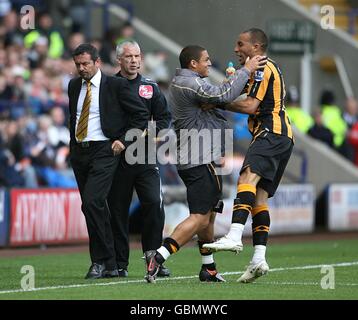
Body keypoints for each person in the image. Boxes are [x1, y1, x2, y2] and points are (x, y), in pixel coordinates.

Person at [144, 44, 266, 283]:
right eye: (206, 60)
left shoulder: (186, 84)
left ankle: (208, 268)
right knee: (200, 217)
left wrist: (225, 88)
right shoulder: (190, 83)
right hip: (199, 160)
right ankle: (158, 257)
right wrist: (246, 70)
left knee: (208, 216)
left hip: (197, 159)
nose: (210, 63)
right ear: (193, 64)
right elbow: (223, 96)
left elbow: (217, 96)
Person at [204, 28, 294, 284]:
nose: (236, 48)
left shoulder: (264, 68)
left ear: (256, 47)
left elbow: (251, 106)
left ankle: (234, 235)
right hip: (281, 136)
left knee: (246, 177)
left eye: (240, 43)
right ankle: (258, 258)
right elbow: (245, 97)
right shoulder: (259, 70)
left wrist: (218, 102)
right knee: (259, 199)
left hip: (271, 132)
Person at [68, 43, 147, 279]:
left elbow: (141, 115)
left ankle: (100, 261)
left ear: (97, 62)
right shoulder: (73, 86)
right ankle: (110, 263)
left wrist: (123, 140)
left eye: (85, 64)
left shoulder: (115, 85)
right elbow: (73, 116)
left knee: (92, 202)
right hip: (79, 151)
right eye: (78, 65)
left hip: (104, 150)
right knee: (91, 206)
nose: (81, 68)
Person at [107, 40, 172, 278]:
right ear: (119, 60)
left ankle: (154, 259)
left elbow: (164, 118)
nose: (134, 61)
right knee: (117, 210)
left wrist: (157, 134)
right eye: (128, 57)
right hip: (117, 158)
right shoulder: (109, 86)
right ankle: (118, 263)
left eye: (137, 56)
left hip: (144, 157)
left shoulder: (150, 87)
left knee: (154, 203)